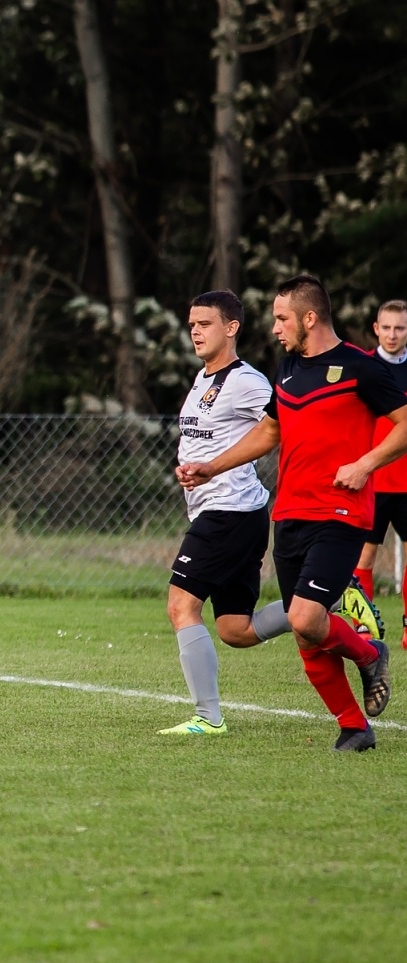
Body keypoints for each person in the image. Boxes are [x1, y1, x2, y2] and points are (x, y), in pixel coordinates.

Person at [178, 275, 407, 752]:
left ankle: (369, 655)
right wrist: (210, 467)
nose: (275, 328)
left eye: (282, 318)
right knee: (306, 638)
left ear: (309, 318)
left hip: (341, 513)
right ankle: (353, 726)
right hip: (290, 515)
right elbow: (268, 432)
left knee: (304, 618)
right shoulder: (286, 371)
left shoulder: (360, 368)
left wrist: (366, 464)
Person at [160, 291, 292, 736]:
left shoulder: (246, 381)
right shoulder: (203, 379)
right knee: (236, 629)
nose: (195, 330)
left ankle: (207, 717)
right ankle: (323, 601)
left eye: (205, 323)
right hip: (232, 513)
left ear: (231, 327)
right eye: (192, 323)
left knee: (181, 607)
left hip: (229, 511)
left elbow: (282, 426)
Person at [352, 299, 407, 631]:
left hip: (406, 483)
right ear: (376, 329)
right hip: (371, 480)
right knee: (363, 557)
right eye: (386, 327)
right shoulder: (364, 368)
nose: (392, 334)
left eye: (399, 328)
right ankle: (364, 626)